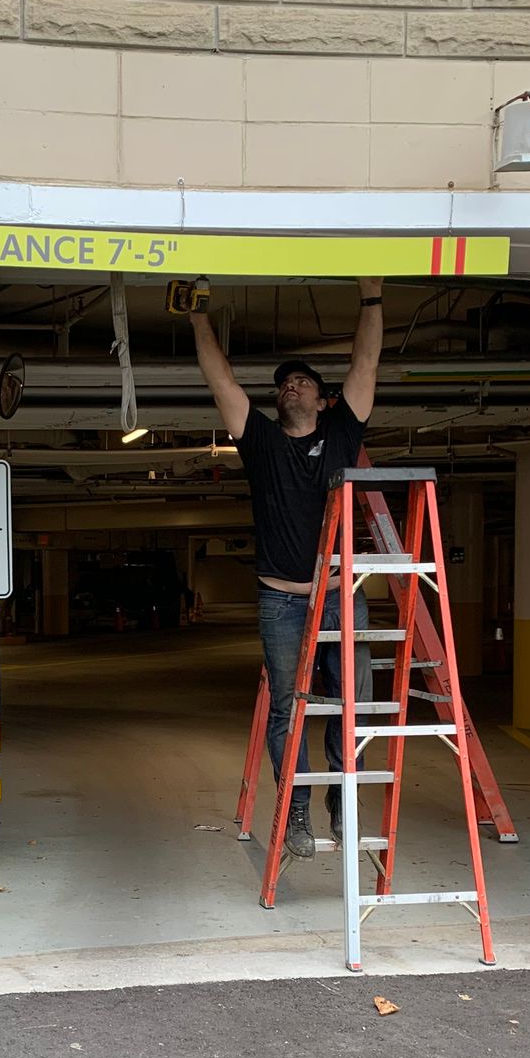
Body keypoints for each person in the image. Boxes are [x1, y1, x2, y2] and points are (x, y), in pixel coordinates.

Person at [189, 278, 383, 859]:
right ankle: (296, 808)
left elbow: (366, 363)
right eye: (283, 383)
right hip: (281, 600)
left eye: (301, 381)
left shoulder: (343, 433)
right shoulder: (262, 442)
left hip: (339, 593)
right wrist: (198, 318)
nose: (289, 386)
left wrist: (372, 297)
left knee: (349, 703)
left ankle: (343, 803)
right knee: (287, 708)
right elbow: (221, 381)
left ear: (323, 400)